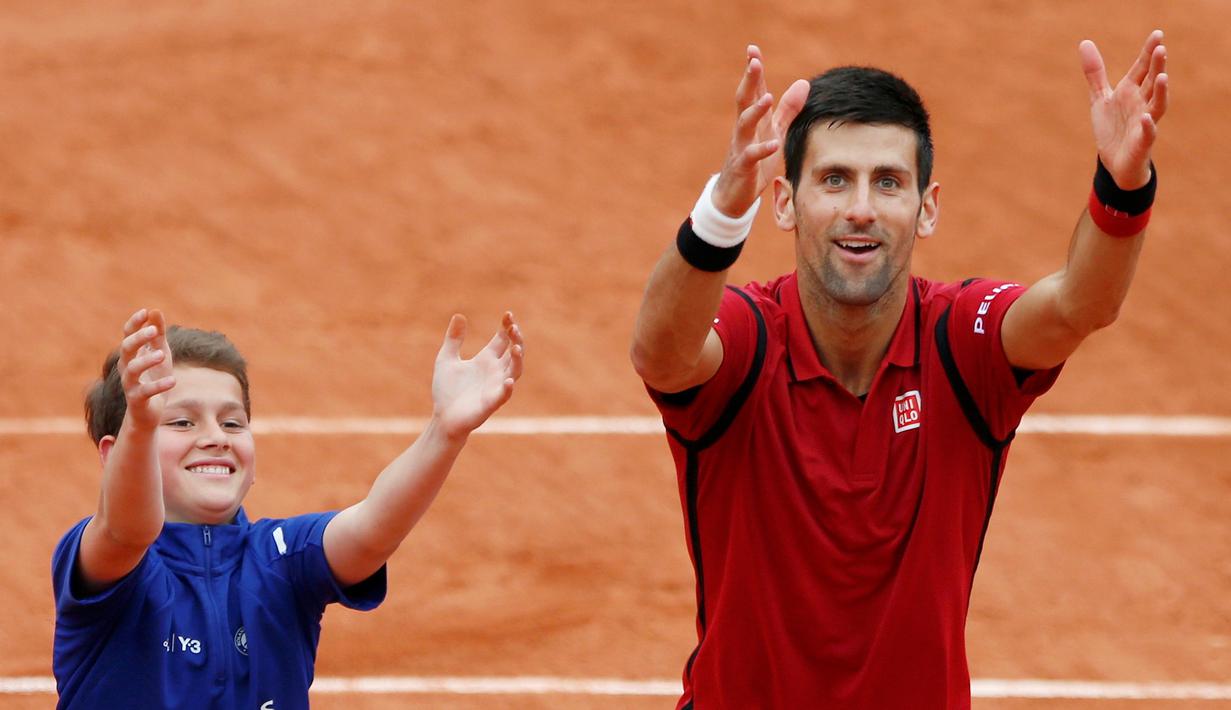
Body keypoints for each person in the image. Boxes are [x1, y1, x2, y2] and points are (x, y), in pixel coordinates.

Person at [630, 31, 1166, 709]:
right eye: (834, 179)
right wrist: (722, 209)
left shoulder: (961, 343)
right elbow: (662, 352)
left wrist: (1122, 188)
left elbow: (1076, 307)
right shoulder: (747, 339)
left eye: (888, 182)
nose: (861, 208)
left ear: (926, 207)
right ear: (784, 202)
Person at [52, 308, 524, 709]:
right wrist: (140, 423)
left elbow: (372, 530)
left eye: (233, 423)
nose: (216, 437)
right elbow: (127, 530)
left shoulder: (280, 557)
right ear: (115, 454)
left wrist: (444, 432)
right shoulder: (108, 556)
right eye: (180, 422)